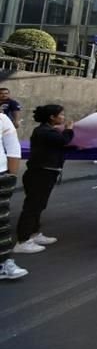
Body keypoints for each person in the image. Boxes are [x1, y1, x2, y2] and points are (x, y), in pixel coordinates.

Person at [13, 105, 74, 254]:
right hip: (40, 174)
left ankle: (34, 234)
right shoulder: (44, 132)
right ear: (52, 117)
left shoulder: (48, 131)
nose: (63, 117)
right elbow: (63, 140)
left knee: (39, 206)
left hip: (45, 173)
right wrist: (69, 129)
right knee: (32, 207)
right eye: (61, 114)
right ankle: (22, 241)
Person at [0, 110, 27, 279]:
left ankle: (4, 263)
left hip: (1, 176)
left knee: (1, 223)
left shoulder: (2, 119)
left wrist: (11, 177)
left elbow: (13, 148)